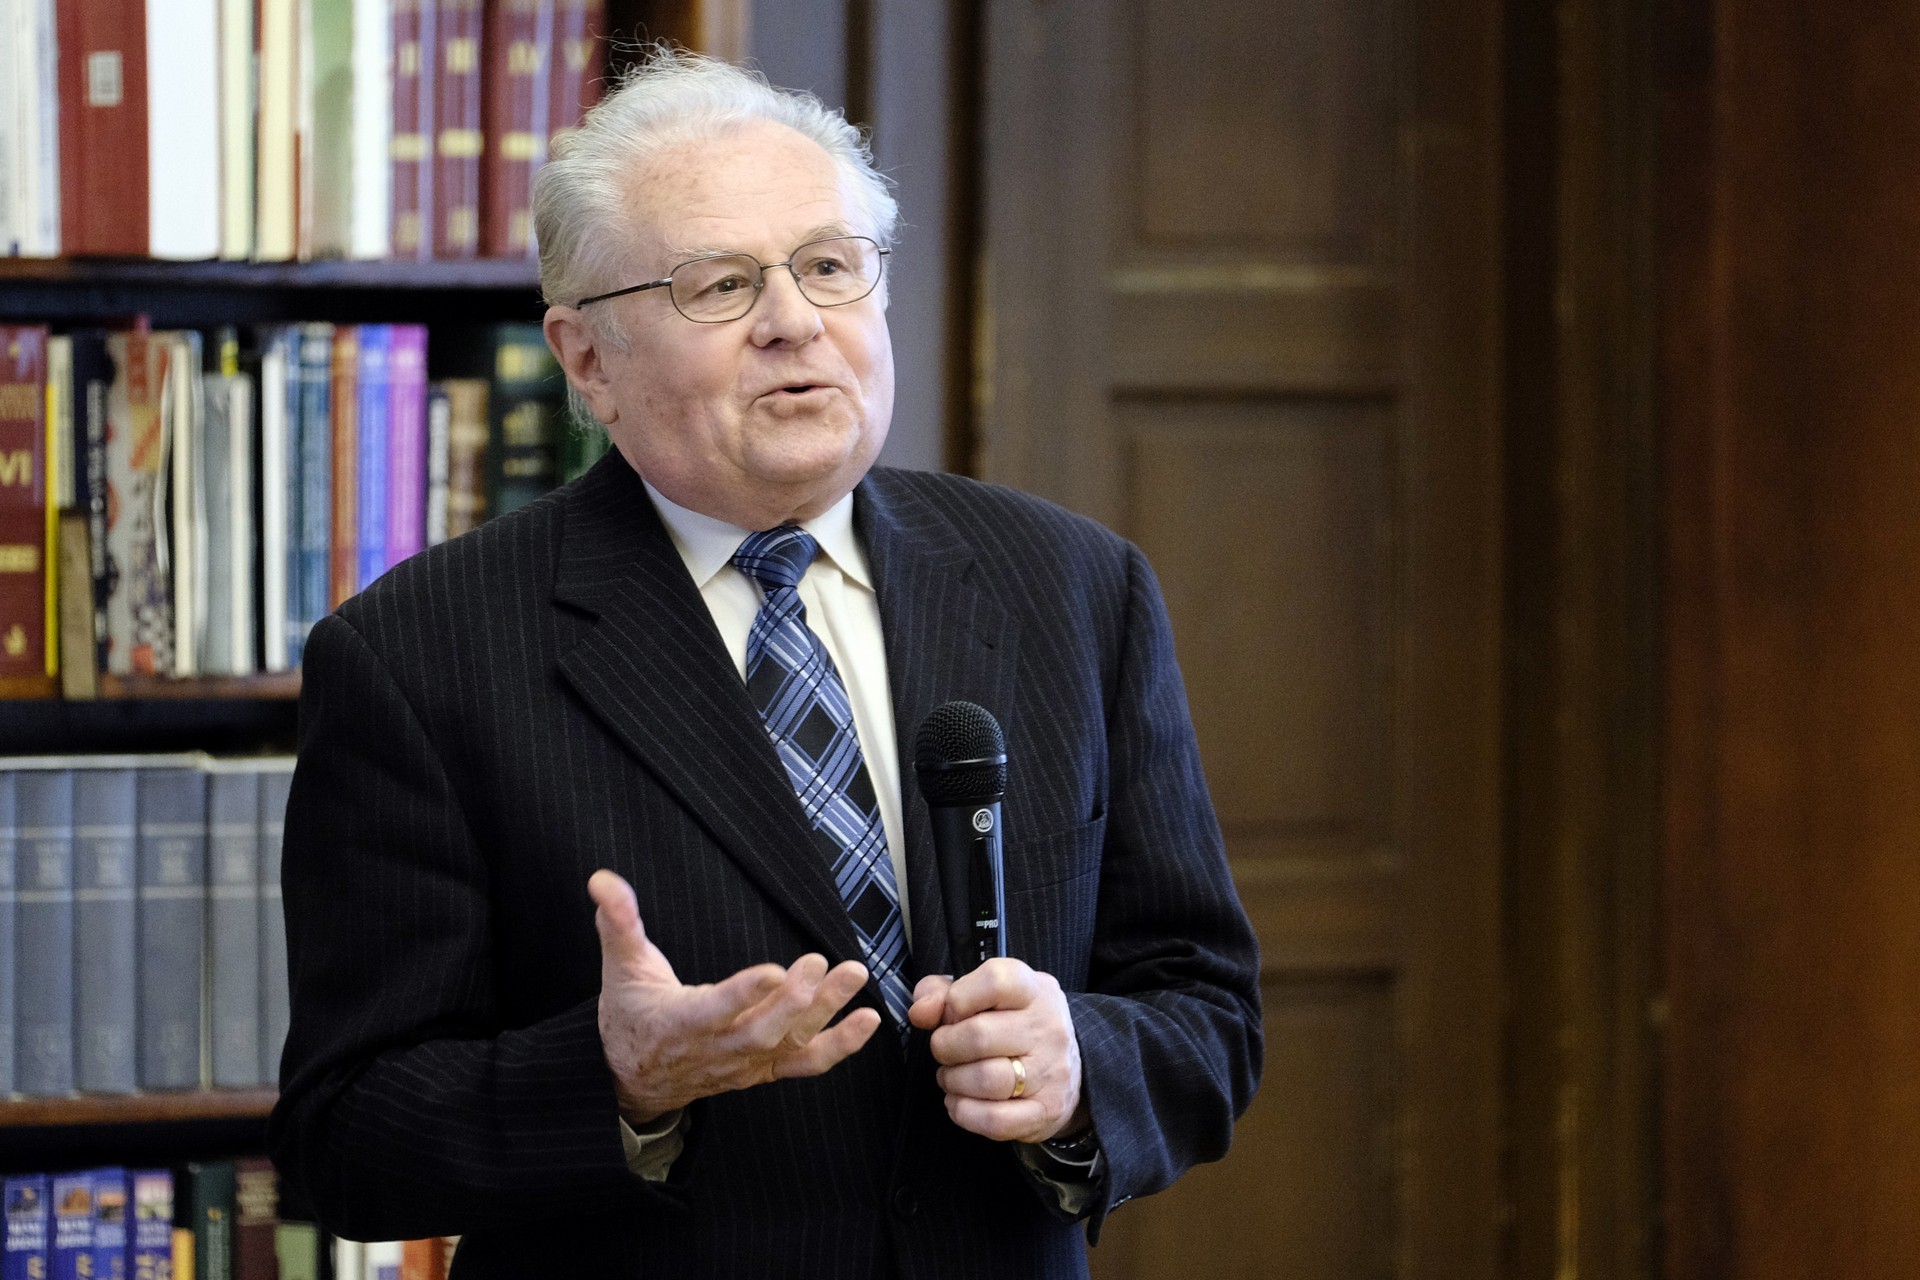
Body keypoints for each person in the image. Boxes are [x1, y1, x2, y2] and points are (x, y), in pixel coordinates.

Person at [268, 47, 1261, 1280]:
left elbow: (1205, 1008)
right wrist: (621, 1077)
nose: (796, 320)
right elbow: (347, 1135)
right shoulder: (419, 655)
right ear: (587, 359)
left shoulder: (1073, 586)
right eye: (722, 284)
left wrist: (1077, 1068)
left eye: (830, 266)